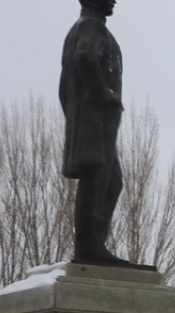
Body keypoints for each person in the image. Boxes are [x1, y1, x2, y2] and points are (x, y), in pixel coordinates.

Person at [60, 0, 131, 266]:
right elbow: (85, 58)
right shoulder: (91, 27)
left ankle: (94, 244)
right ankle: (90, 248)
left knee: (111, 181)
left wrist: (74, 112)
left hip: (92, 119)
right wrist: (104, 95)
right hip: (95, 119)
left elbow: (62, 87)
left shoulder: (83, 30)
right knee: (98, 177)